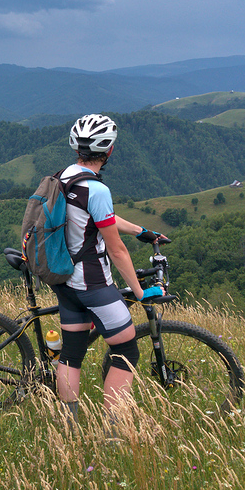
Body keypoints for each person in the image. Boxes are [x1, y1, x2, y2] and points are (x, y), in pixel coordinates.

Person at [51, 113, 168, 423]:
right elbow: (115, 250)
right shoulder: (97, 189)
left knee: (71, 355)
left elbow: (94, 217)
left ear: (77, 148)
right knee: (126, 352)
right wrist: (141, 291)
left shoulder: (65, 177)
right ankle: (114, 433)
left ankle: (68, 429)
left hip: (64, 278)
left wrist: (140, 231)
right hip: (92, 284)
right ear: (110, 150)